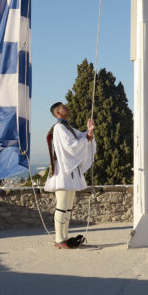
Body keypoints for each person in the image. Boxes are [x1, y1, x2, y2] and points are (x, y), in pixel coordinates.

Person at [44, 102, 96, 249]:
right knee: (61, 205)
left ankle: (65, 237)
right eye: (63, 107)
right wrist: (86, 138)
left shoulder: (68, 128)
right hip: (62, 171)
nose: (67, 107)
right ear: (58, 113)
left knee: (67, 206)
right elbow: (71, 146)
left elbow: (82, 137)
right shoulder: (59, 128)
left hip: (71, 170)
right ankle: (59, 239)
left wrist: (89, 131)